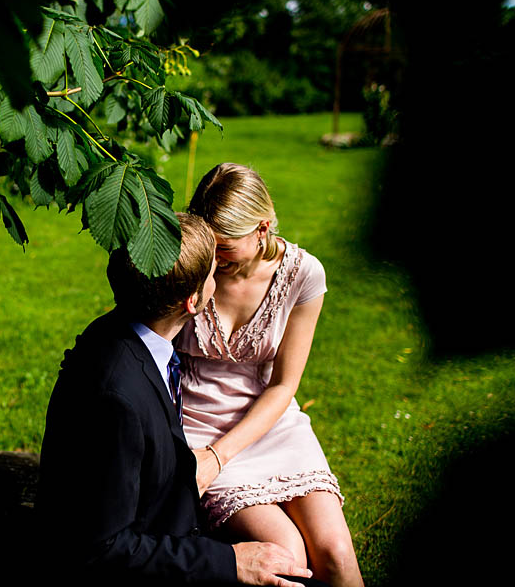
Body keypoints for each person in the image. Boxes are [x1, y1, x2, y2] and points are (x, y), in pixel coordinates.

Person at [38, 213, 319, 586]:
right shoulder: (116, 400)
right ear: (193, 301)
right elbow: (99, 549)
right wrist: (229, 561)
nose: (219, 279)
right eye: (211, 274)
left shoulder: (126, 339)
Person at [177, 164, 363, 587]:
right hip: (197, 427)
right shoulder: (192, 263)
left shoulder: (303, 274)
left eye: (224, 248)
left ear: (262, 229)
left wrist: (222, 455)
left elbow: (284, 384)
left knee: (334, 550)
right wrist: (207, 459)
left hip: (271, 422)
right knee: (286, 554)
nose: (213, 258)